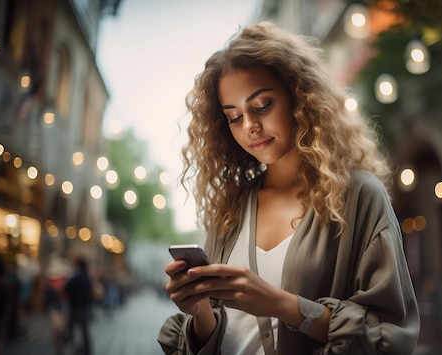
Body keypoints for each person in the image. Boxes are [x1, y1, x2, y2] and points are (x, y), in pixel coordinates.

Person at [158, 21, 419, 355]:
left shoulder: (358, 196)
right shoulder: (232, 208)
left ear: (300, 96)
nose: (250, 126)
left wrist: (281, 304)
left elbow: (388, 337)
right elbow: (227, 334)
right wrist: (199, 312)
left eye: (262, 105)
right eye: (234, 117)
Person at [64, 257, 93, 355]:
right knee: (84, 331)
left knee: (71, 329)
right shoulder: (87, 277)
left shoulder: (76, 277)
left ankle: (72, 348)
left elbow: (66, 288)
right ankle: (87, 350)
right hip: (85, 307)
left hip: (75, 307)